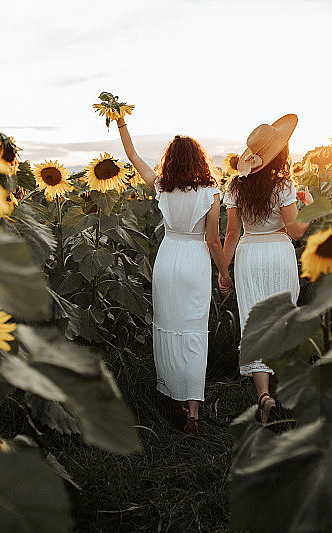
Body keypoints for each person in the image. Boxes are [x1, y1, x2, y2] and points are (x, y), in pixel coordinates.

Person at [116, 116, 233, 434]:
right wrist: (224, 273)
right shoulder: (211, 193)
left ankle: (173, 397)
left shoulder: (161, 187)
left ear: (171, 161)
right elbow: (213, 240)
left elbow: (133, 156)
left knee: (167, 329)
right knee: (194, 332)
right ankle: (193, 412)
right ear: (199, 161)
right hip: (195, 262)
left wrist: (122, 123)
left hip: (168, 260)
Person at [218, 114, 314, 423]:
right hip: (278, 252)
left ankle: (263, 396)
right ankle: (282, 390)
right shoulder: (284, 186)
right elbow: (296, 231)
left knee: (253, 323)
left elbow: (231, 234)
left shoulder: (234, 186)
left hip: (248, 254)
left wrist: (223, 270)